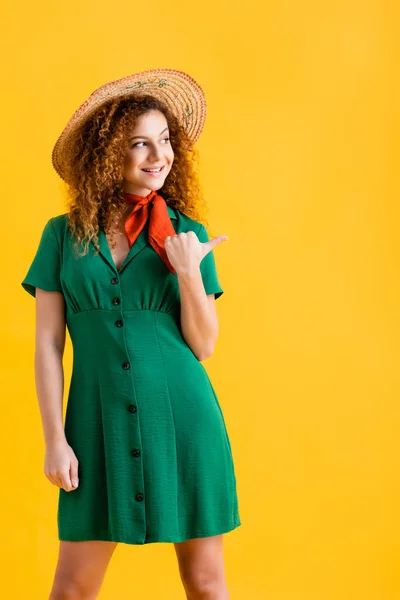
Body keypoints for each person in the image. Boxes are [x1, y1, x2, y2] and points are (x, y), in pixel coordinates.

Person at [21, 68, 241, 599]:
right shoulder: (62, 235)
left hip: (184, 420)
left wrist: (189, 272)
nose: (158, 155)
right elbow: (49, 345)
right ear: (107, 153)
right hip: (94, 425)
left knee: (206, 583)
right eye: (140, 143)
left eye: (164, 140)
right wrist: (55, 438)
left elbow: (204, 346)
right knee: (72, 587)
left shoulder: (188, 233)